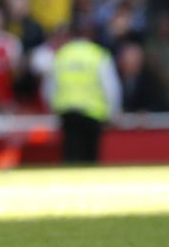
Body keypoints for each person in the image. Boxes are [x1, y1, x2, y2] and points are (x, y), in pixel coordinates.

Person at [47, 34, 121, 163]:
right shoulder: (98, 54)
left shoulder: (62, 54)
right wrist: (113, 114)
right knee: (90, 158)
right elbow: (110, 87)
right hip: (93, 114)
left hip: (68, 114)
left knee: (71, 157)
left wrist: (53, 110)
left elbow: (50, 87)